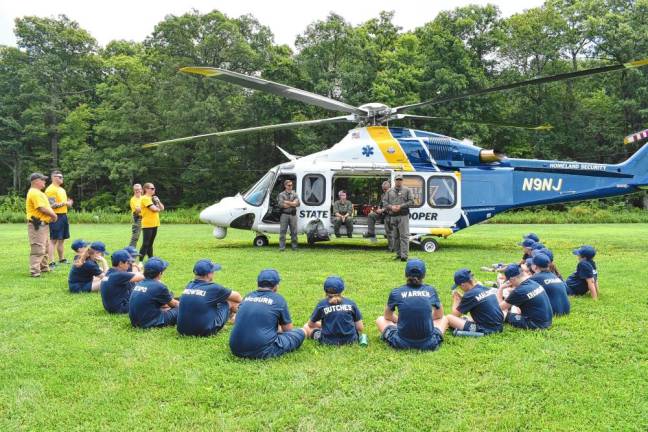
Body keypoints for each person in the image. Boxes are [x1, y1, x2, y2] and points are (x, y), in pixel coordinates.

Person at [229, 269, 309, 359]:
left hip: (235, 349)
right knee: (301, 332)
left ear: (258, 283)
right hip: (262, 350)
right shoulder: (278, 299)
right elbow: (288, 330)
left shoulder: (248, 296)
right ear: (276, 286)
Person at [376, 259, 448, 350]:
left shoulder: (396, 292)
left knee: (380, 319)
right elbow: (439, 315)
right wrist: (424, 318)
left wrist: (402, 320)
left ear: (405, 274)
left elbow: (387, 317)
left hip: (401, 343)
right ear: (424, 275)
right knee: (444, 318)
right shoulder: (431, 290)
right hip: (430, 343)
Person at [177, 259, 242, 337]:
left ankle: (232, 317)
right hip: (204, 331)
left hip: (182, 330)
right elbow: (238, 297)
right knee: (230, 301)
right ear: (208, 274)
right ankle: (237, 318)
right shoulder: (213, 288)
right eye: (213, 272)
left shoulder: (189, 285)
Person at [304, 276, 364, 345]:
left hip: (328, 341)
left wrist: (322, 325)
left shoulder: (322, 304)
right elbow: (360, 328)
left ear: (325, 290)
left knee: (306, 326)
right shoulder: (351, 303)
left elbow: (310, 324)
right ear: (342, 289)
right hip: (351, 340)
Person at [446, 268, 504, 336]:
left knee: (449, 318)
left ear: (463, 285)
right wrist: (462, 298)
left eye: (459, 286)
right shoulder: (484, 288)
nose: (460, 288)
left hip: (487, 329)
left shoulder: (469, 295)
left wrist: (456, 299)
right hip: (499, 325)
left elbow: (455, 315)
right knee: (466, 317)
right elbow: (475, 300)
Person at [496, 264, 553, 330]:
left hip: (536, 325)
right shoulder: (532, 283)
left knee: (503, 313)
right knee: (514, 307)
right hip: (547, 321)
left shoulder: (519, 291)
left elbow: (499, 308)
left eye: (508, 280)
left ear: (512, 279)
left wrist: (501, 288)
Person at [128, 257, 179, 329]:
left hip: (135, 322)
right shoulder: (159, 286)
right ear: (160, 273)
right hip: (149, 323)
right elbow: (174, 304)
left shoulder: (140, 283)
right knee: (182, 309)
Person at [26, 172, 57, 277]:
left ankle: (43, 268)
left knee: (46, 247)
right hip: (37, 224)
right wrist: (54, 216)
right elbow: (41, 208)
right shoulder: (35, 192)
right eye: (42, 180)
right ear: (36, 181)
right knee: (38, 248)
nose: (45, 181)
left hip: (42, 224)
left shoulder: (38, 192)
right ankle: (35, 271)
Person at [100, 249, 144, 314]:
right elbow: (144, 276)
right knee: (147, 294)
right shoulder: (119, 275)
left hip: (111, 308)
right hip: (121, 308)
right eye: (128, 262)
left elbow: (133, 274)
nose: (129, 265)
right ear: (120, 263)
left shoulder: (110, 272)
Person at [45, 170, 73, 268]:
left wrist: (68, 203)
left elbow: (63, 203)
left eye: (62, 177)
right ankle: (51, 262)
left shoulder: (62, 190)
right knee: (53, 240)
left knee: (62, 239)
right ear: (53, 177)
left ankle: (61, 259)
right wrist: (65, 203)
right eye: (59, 177)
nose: (62, 178)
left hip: (63, 216)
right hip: (55, 216)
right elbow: (51, 205)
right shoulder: (50, 189)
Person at [385, 174, 414, 261]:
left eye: (400, 180)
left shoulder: (407, 190)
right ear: (394, 181)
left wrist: (401, 206)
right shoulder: (389, 191)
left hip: (403, 216)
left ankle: (404, 256)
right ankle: (398, 254)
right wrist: (391, 207)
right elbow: (385, 203)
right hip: (393, 216)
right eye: (397, 179)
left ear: (402, 181)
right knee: (395, 236)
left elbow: (411, 201)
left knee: (404, 236)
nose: (399, 181)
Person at [139, 182, 164, 260]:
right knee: (145, 244)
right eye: (152, 188)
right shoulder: (145, 198)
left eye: (154, 188)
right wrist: (157, 208)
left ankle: (151, 259)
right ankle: (140, 261)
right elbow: (154, 209)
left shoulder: (152, 198)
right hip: (147, 224)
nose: (154, 190)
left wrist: (158, 201)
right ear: (146, 189)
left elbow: (162, 208)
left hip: (155, 223)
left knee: (150, 244)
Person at [365, 181, 393, 250]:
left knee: (389, 232)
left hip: (389, 215)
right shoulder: (383, 195)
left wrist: (383, 210)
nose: (384, 190)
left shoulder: (393, 195)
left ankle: (391, 248)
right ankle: (371, 233)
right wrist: (377, 209)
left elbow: (392, 206)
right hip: (382, 214)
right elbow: (380, 204)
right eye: (383, 189)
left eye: (386, 189)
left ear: (389, 188)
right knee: (371, 215)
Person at [277, 179, 300, 251]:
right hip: (284, 215)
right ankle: (282, 248)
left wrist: (286, 202)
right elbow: (281, 205)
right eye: (289, 185)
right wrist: (292, 203)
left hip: (293, 215)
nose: (290, 186)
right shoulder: (281, 194)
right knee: (283, 231)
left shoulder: (295, 194)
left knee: (294, 232)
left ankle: (294, 247)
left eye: (291, 185)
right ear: (285, 186)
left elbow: (297, 204)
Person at [129, 183, 143, 248]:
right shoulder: (133, 200)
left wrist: (141, 208)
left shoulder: (144, 198)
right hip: (138, 219)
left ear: (141, 190)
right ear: (134, 191)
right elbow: (137, 211)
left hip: (146, 218)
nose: (137, 191)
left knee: (148, 237)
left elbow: (140, 209)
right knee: (135, 237)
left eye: (139, 189)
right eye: (136, 190)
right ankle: (130, 251)